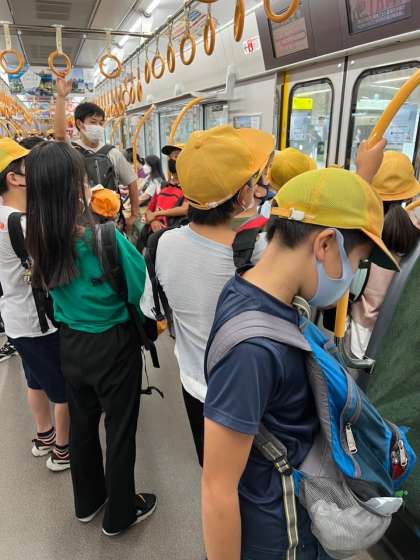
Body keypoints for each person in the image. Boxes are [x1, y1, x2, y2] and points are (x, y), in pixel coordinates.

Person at [201, 140, 392, 560]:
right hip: (278, 536)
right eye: (356, 262)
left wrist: (361, 179)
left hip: (292, 514)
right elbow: (217, 488)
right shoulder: (253, 350)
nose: (351, 276)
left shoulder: (256, 289)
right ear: (323, 245)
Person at [25, 141, 156, 536]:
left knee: (82, 427)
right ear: (76, 188)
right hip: (113, 345)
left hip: (70, 345)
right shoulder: (105, 238)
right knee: (120, 430)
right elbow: (138, 288)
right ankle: (120, 514)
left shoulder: (38, 238)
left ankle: (87, 502)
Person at [141, 125, 275, 466]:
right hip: (249, 391)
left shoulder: (161, 244)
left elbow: (152, 308)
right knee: (252, 477)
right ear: (243, 196)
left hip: (194, 384)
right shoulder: (260, 249)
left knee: (212, 468)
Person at [0, 138, 70, 471]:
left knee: (35, 381)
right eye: (29, 167)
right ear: (14, 178)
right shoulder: (24, 223)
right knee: (63, 390)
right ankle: (63, 450)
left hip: (15, 318)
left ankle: (44, 436)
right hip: (39, 321)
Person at [350, 150, 420, 358]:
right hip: (396, 343)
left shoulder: (359, 234)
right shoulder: (413, 238)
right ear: (409, 195)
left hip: (357, 338)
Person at [54, 78, 139, 233]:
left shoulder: (113, 153)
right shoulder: (71, 149)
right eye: (93, 122)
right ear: (80, 124)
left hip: (111, 222)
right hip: (79, 223)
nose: (98, 127)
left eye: (101, 123)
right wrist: (60, 98)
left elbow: (132, 182)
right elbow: (59, 135)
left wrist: (134, 214)